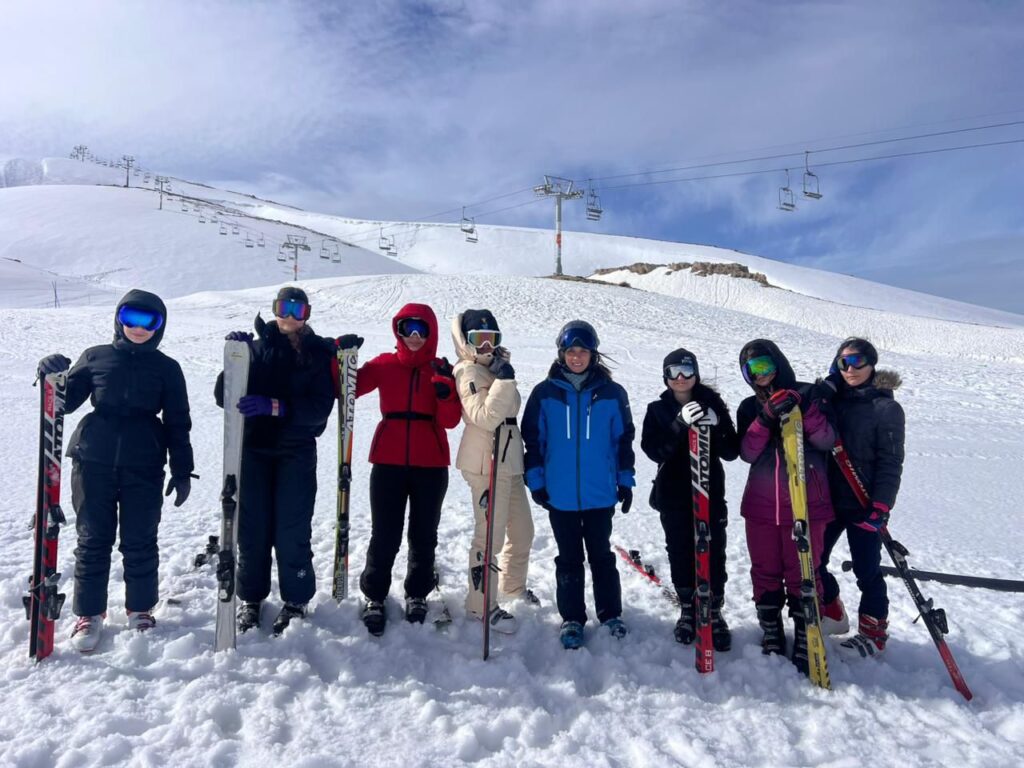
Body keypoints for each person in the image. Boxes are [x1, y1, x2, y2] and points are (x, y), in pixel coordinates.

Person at [37, 290, 194, 653]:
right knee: (93, 538)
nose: (138, 328)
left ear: (160, 326)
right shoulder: (96, 357)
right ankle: (89, 614)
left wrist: (182, 469)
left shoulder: (167, 368)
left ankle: (140, 609)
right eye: (130, 318)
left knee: (140, 538)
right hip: (93, 459)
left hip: (145, 462)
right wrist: (51, 376)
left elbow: (178, 422)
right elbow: (63, 403)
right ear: (118, 319)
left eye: (149, 321)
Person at [215, 286, 336, 635]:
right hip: (254, 450)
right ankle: (251, 598)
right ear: (274, 310)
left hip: (295, 452)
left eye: (298, 310)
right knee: (252, 529)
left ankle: (295, 599)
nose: (290, 317)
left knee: (291, 529)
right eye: (285, 308)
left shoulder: (316, 353)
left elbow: (320, 408)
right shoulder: (256, 348)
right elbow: (224, 395)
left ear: (307, 315)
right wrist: (235, 358)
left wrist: (277, 407)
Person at [522, 320, 635, 649]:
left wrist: (625, 481)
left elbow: (623, 440)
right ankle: (572, 618)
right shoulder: (545, 393)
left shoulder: (612, 393)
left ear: (593, 354)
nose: (576, 357)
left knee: (601, 556)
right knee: (569, 558)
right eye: (570, 351)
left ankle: (610, 614)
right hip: (560, 495)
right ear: (561, 353)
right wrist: (536, 481)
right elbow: (533, 441)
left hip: (601, 493)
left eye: (583, 351)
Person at [354, 303, 462, 636]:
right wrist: (339, 357)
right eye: (407, 329)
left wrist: (445, 392)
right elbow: (348, 387)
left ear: (432, 333)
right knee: (384, 533)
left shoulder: (440, 369)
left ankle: (417, 593)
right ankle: (375, 595)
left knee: (423, 534)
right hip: (387, 461)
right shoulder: (384, 365)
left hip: (431, 464)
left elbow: (450, 421)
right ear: (397, 331)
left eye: (421, 329)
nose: (414, 336)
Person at [736, 339, 835, 675]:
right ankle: (772, 630)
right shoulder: (749, 407)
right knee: (764, 569)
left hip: (807, 503)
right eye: (753, 370)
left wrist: (804, 409)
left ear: (778, 363)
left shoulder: (809, 394)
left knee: (803, 571)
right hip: (762, 505)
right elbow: (747, 452)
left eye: (766, 365)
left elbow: (826, 439)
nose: (761, 375)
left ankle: (807, 632)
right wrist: (765, 418)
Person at [641, 348, 739, 650]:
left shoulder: (713, 404)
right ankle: (687, 607)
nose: (680, 378)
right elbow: (654, 450)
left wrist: (718, 426)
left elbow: (731, 451)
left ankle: (714, 610)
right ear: (665, 376)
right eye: (673, 372)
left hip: (710, 492)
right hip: (674, 494)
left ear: (695, 373)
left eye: (686, 371)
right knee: (680, 550)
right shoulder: (657, 409)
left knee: (714, 549)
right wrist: (678, 425)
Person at [817, 337, 905, 657]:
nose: (850, 369)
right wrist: (825, 389)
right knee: (812, 561)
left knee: (867, 570)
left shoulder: (886, 408)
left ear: (871, 364)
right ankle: (832, 611)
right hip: (828, 499)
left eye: (857, 362)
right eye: (843, 363)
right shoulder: (831, 400)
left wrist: (882, 505)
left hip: (863, 500)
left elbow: (891, 460)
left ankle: (873, 633)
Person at [450, 309, 535, 636]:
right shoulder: (468, 371)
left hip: (508, 461)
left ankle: (512, 587)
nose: (486, 346)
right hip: (486, 463)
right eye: (479, 339)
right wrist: (505, 380)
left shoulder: (494, 368)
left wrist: (503, 377)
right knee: (489, 537)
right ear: (466, 341)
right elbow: (485, 417)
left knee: (523, 531)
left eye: (492, 338)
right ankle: (481, 604)